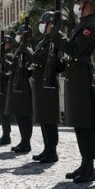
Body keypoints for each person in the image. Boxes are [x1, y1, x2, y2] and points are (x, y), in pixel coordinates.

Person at [51, 0, 95, 183]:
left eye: (80, 2)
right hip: (75, 75)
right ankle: (84, 164)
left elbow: (74, 49)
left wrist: (58, 35)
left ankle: (90, 167)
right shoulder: (81, 25)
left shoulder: (90, 27)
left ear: (88, 4)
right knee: (79, 124)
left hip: (82, 76)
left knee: (86, 124)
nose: (78, 6)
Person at [30, 11, 61, 164]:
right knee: (43, 118)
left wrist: (29, 53)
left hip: (48, 83)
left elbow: (46, 58)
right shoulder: (44, 41)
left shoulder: (53, 41)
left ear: (50, 24)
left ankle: (52, 151)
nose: (41, 25)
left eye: (44, 22)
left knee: (49, 118)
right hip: (41, 82)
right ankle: (47, 148)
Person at [4, 24, 34, 153]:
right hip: (18, 83)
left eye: (19, 33)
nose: (17, 36)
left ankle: (26, 142)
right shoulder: (20, 48)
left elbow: (30, 64)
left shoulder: (27, 48)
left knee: (24, 115)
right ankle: (23, 141)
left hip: (24, 85)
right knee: (20, 115)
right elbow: (14, 67)